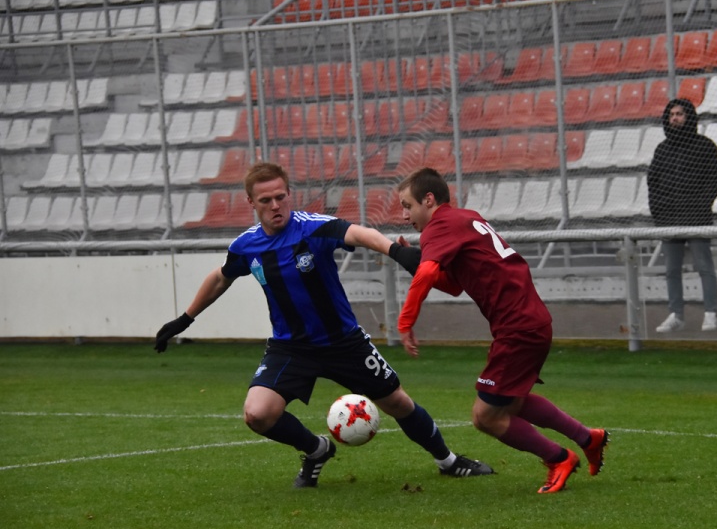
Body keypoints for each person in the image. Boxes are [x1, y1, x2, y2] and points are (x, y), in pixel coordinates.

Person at [154, 162, 493, 488]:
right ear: (251, 203)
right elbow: (221, 277)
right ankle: (317, 449)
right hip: (291, 346)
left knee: (398, 403)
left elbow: (359, 233)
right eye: (266, 200)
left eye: (280, 197)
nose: (276, 205)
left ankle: (448, 461)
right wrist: (185, 319)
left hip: (344, 342)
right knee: (257, 414)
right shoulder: (246, 245)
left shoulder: (312, 227)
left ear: (289, 194)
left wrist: (395, 251)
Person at [394, 167, 609, 494]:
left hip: (517, 327)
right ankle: (587, 438)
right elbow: (455, 285)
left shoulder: (439, 226)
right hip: (530, 321)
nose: (404, 215)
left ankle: (559, 458)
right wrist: (417, 262)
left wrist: (405, 322)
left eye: (407, 206)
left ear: (429, 200)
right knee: (511, 403)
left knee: (485, 417)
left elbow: (427, 276)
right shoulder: (465, 217)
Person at [647, 98, 717, 333]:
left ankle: (710, 313)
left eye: (679, 114)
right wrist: (660, 213)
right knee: (671, 270)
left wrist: (700, 206)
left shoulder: (705, 146)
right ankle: (676, 315)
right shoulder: (662, 150)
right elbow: (653, 184)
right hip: (669, 221)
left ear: (689, 117)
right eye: (671, 115)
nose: (675, 118)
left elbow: (715, 179)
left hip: (697, 218)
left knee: (704, 266)